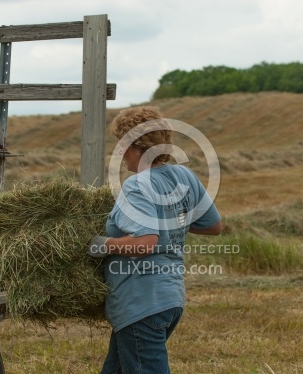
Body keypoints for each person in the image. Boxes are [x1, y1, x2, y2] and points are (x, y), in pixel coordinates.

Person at [88, 106, 222, 373]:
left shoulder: (136, 185)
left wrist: (101, 245)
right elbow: (213, 225)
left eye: (121, 145)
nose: (119, 153)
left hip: (141, 304)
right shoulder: (184, 176)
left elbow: (145, 242)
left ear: (135, 146)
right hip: (169, 299)